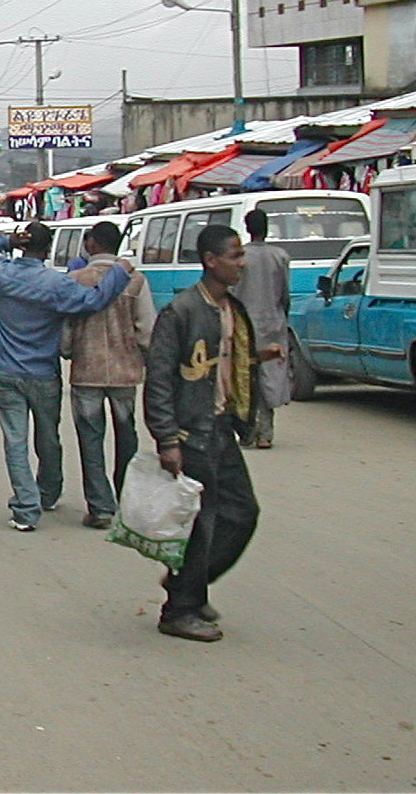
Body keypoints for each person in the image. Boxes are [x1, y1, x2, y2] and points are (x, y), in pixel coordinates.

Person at [146, 223, 275, 643]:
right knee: (202, 523)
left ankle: (189, 585)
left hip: (220, 428)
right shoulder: (182, 311)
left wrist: (255, 360)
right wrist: (167, 439)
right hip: (190, 433)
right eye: (235, 256)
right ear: (210, 260)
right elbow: (160, 379)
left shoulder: (229, 310)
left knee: (242, 514)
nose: (243, 263)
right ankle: (180, 609)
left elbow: (223, 365)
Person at [0, 222, 131, 532]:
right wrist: (119, 272)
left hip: (7, 371)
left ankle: (26, 506)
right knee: (48, 437)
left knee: (15, 441)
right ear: (47, 251)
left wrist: (7, 240)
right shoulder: (56, 284)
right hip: (44, 372)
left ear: (23, 245)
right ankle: (48, 490)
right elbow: (94, 300)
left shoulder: (2, 274)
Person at [62, 221, 157, 529]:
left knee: (90, 439)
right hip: (125, 371)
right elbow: (147, 330)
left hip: (87, 370)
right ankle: (126, 501)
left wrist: (68, 350)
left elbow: (65, 333)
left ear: (92, 244)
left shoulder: (76, 279)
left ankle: (100, 507)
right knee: (126, 435)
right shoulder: (136, 280)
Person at [233, 209, 292, 449]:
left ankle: (248, 429)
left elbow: (232, 292)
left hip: (244, 324)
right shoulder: (280, 256)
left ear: (247, 229)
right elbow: (285, 294)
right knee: (270, 376)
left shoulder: (240, 257)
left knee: (245, 377)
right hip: (273, 323)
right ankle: (266, 432)